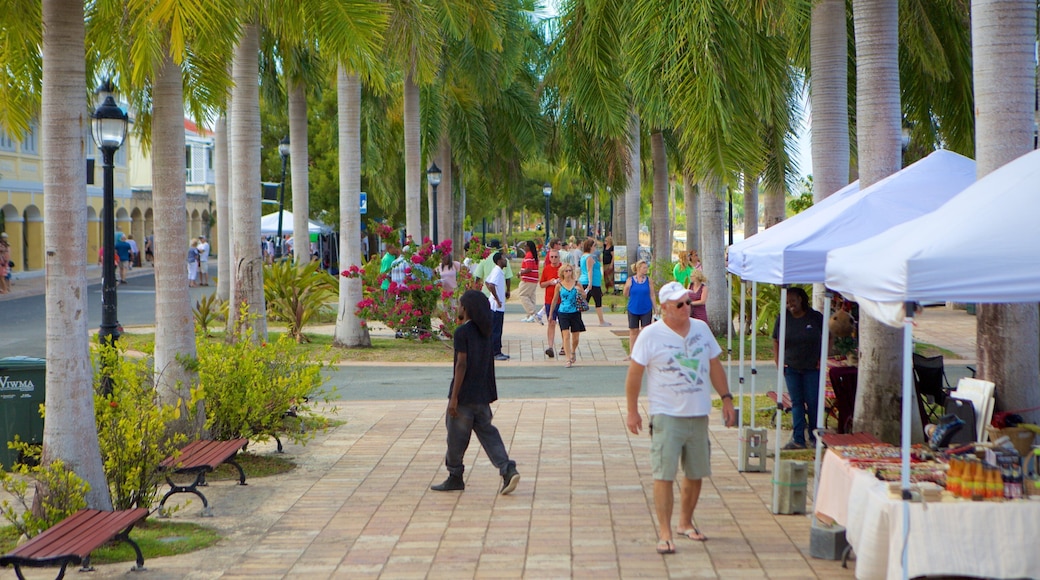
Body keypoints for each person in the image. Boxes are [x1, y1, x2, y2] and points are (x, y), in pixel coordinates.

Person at [625, 281, 736, 555]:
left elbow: (714, 365)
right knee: (664, 474)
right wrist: (632, 410)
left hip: (698, 413)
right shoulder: (650, 335)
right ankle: (664, 531)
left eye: (688, 302)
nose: (687, 307)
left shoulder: (701, 329)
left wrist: (726, 398)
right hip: (666, 415)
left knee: (696, 472)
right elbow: (634, 375)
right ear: (664, 308)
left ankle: (685, 522)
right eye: (680, 304)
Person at [430, 289, 521, 495]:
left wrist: (454, 397)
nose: (458, 308)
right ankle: (507, 469)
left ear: (467, 308)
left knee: (455, 438)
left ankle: (455, 476)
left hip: (464, 396)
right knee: (489, 434)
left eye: (461, 304)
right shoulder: (485, 332)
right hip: (481, 395)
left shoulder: (462, 332)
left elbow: (461, 364)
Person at [772, 286, 825, 450]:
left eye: (793, 301)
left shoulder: (815, 317)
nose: (790, 305)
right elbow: (776, 340)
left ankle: (815, 437)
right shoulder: (783, 318)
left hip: (812, 367)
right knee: (797, 403)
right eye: (787, 302)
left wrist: (822, 358)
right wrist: (778, 361)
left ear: (801, 299)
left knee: (813, 402)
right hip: (791, 367)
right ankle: (798, 439)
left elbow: (829, 336)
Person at [549, 262, 585, 368]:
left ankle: (573, 351)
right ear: (562, 273)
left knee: (576, 337)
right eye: (566, 271)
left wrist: (580, 291)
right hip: (563, 312)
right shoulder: (559, 285)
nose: (568, 273)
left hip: (575, 312)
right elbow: (555, 300)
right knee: (566, 335)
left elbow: (584, 296)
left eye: (570, 270)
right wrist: (551, 314)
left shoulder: (577, 283)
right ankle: (568, 358)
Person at [623, 260, 656, 358]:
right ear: (638, 268)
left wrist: (655, 307)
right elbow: (625, 294)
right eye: (644, 268)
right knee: (633, 331)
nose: (646, 270)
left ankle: (645, 352)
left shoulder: (648, 280)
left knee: (645, 331)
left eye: (646, 268)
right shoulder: (630, 280)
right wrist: (627, 287)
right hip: (633, 308)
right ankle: (632, 353)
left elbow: (652, 294)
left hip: (646, 308)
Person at [578, 237, 610, 326]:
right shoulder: (589, 257)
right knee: (597, 301)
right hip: (592, 283)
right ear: (590, 247)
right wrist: (590, 283)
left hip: (587, 281)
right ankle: (601, 321)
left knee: (584, 301)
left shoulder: (584, 256)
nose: (595, 248)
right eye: (594, 246)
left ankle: (578, 319)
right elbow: (589, 270)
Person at [484, 251, 509, 361]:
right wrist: (497, 298)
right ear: (499, 260)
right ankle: (495, 352)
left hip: (497, 305)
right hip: (496, 306)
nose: (506, 260)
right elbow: (491, 284)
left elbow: (487, 282)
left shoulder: (497, 271)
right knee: (496, 330)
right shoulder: (497, 272)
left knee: (497, 328)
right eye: (504, 258)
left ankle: (497, 350)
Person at [539, 248, 562, 358]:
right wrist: (550, 282)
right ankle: (550, 346)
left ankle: (564, 346)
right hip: (549, 300)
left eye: (555, 257)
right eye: (551, 257)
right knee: (551, 322)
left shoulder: (563, 268)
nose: (553, 259)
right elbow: (541, 284)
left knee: (563, 324)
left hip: (562, 300)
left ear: (559, 257)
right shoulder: (546, 269)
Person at [517, 240, 542, 324]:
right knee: (531, 297)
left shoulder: (528, 255)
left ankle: (533, 313)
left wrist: (520, 273)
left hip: (528, 279)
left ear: (529, 247)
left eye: (525, 246)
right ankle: (530, 316)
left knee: (523, 295)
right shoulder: (534, 255)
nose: (524, 247)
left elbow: (529, 268)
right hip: (534, 279)